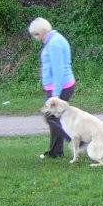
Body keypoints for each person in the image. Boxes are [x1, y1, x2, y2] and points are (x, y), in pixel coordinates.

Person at [28, 17, 76, 159]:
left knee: (50, 117)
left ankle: (77, 142)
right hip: (58, 86)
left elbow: (58, 69)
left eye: (35, 35)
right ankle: (55, 151)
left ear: (41, 33)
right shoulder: (55, 39)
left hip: (59, 87)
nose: (36, 38)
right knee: (54, 118)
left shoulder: (54, 43)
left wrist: (55, 94)